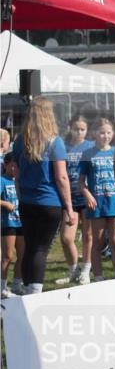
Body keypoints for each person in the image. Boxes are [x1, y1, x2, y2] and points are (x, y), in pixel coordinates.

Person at [9, 97, 77, 294]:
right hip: (49, 202)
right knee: (41, 248)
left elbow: (17, 174)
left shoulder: (20, 141)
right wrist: (70, 208)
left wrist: (22, 196)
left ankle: (27, 286)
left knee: (30, 247)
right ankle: (35, 291)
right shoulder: (55, 143)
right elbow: (61, 177)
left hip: (27, 201)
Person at [78, 119, 115, 281]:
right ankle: (98, 277)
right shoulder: (88, 154)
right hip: (97, 204)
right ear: (94, 134)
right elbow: (80, 182)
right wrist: (87, 194)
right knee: (97, 242)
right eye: (102, 132)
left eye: (109, 132)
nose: (105, 136)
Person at [57, 115, 94, 284]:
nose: (79, 132)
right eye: (76, 129)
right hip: (69, 199)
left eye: (83, 129)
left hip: (87, 197)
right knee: (66, 237)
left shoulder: (91, 146)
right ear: (70, 127)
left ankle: (86, 270)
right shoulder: (63, 146)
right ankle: (73, 269)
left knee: (88, 235)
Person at [1, 151, 24, 297]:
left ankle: (17, 284)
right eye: (13, 166)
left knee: (22, 255)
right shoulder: (2, 180)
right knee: (8, 256)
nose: (15, 169)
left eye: (18, 166)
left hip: (22, 222)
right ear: (6, 165)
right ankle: (2, 286)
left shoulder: (22, 180)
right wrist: (4, 203)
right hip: (8, 223)